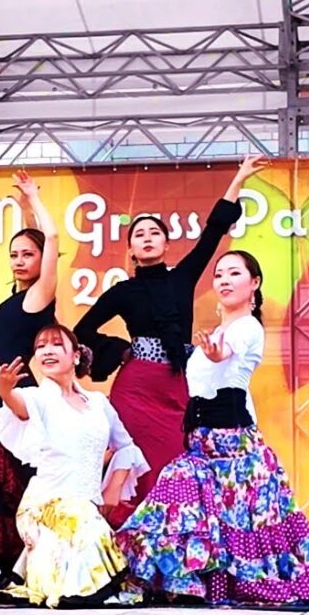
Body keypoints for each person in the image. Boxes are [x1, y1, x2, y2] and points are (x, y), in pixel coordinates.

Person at [115, 251, 309, 607]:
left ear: (254, 284)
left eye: (234, 273)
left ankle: (197, 583)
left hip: (233, 448)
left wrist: (218, 353)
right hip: (204, 443)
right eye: (219, 274)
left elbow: (227, 353)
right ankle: (190, 584)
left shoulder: (247, 328)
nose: (224, 280)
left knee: (223, 514)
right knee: (192, 503)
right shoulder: (216, 333)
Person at [74, 155, 267, 523]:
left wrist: (239, 178)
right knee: (138, 466)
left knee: (177, 466)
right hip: (137, 388)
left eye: (154, 233)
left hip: (181, 383)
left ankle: (176, 551)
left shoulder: (182, 277)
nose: (147, 239)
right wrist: (121, 351)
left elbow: (213, 232)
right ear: (130, 249)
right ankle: (132, 554)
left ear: (165, 243)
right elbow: (82, 330)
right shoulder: (122, 292)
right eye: (139, 236)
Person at [0, 324, 148, 607]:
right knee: (83, 530)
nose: (47, 351)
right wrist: (4, 389)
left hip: (86, 506)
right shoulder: (37, 397)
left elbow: (126, 446)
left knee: (89, 528)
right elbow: (17, 406)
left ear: (76, 356)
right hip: (45, 504)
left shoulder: (99, 403)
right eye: (40, 346)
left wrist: (112, 488)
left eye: (55, 344)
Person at [0, 170, 60, 587]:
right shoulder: (13, 300)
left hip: (20, 407)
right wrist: (25, 206)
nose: (20, 260)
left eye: (28, 254)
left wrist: (34, 200)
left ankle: (27, 565)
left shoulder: (40, 296)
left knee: (17, 489)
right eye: (14, 254)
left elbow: (52, 239)